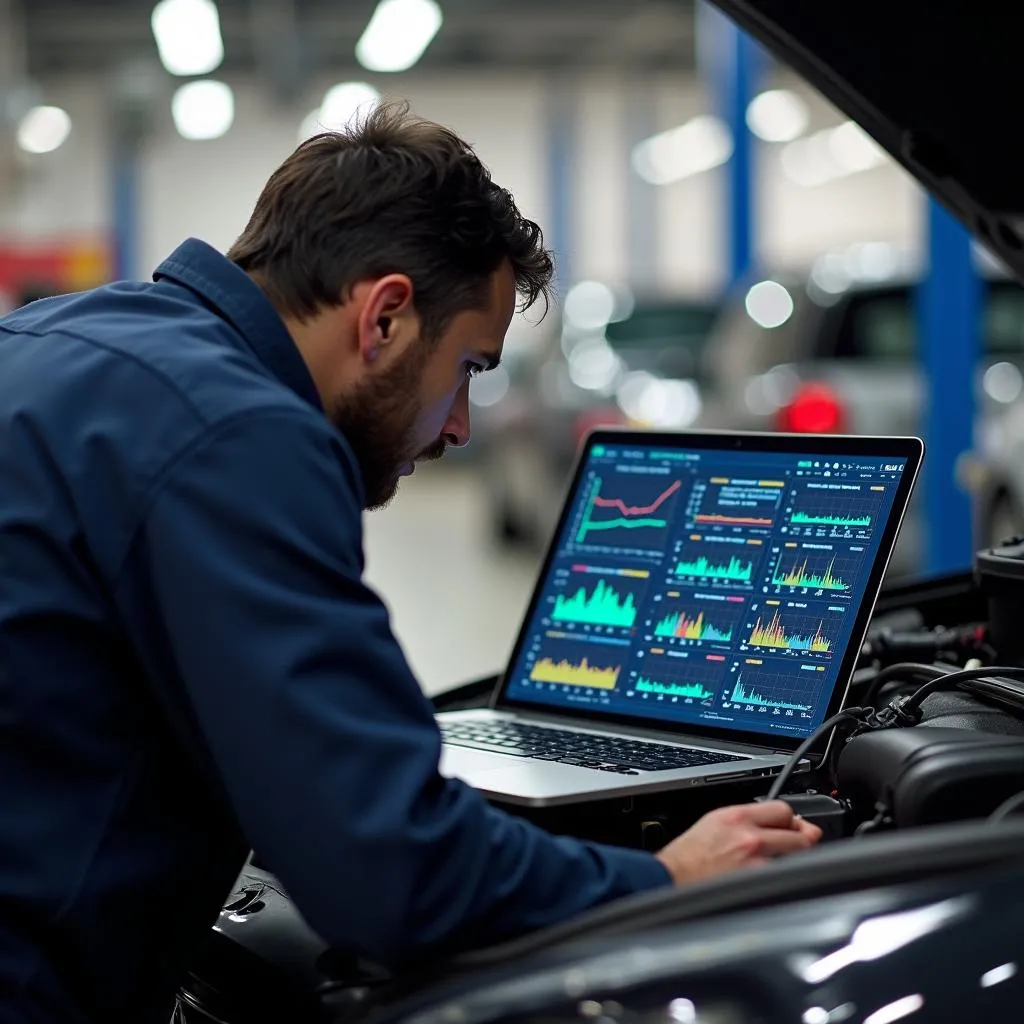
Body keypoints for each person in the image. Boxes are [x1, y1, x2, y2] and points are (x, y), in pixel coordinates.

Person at [0, 101, 821, 1024]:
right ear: (385, 316)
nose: (462, 426)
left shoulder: (57, 344)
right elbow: (385, 870)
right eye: (470, 365)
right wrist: (667, 876)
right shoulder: (238, 432)